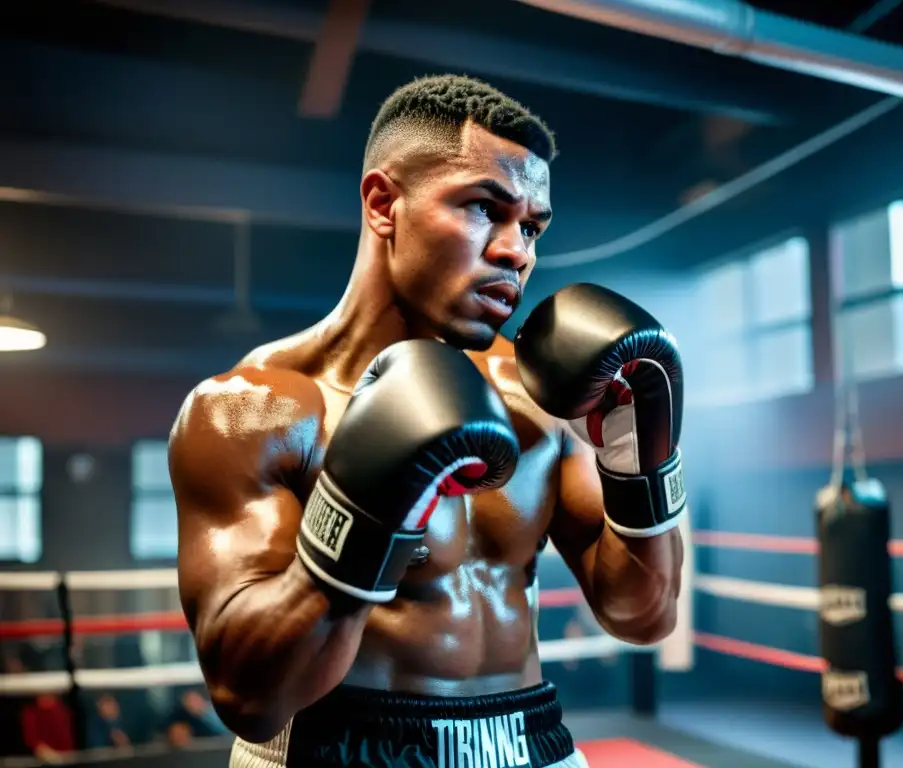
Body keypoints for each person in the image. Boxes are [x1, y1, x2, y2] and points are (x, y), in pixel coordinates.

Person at [169, 74, 686, 768]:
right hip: (338, 750)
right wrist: (363, 512)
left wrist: (640, 458)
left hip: (527, 742)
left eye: (531, 225)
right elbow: (248, 696)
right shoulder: (253, 412)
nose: (517, 251)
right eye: (483, 208)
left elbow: (642, 616)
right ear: (385, 204)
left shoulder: (532, 394)